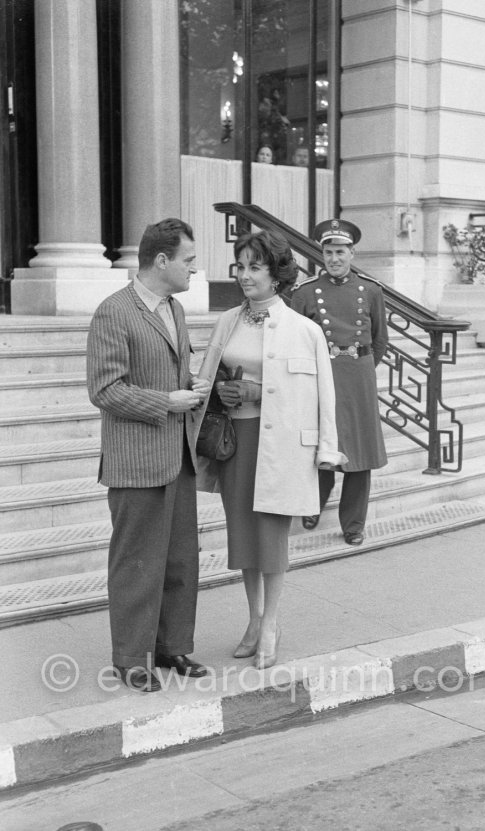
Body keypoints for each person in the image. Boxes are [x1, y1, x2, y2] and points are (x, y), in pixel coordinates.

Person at [197, 229, 345, 670]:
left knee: (271, 536)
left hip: (280, 445)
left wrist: (327, 449)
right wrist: (223, 390)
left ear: (277, 273)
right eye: (240, 266)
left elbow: (324, 397)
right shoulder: (228, 321)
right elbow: (208, 378)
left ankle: (272, 623)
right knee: (243, 535)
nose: (244, 275)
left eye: (254, 267)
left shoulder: (305, 330)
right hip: (235, 444)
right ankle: (254, 618)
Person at [87, 218, 211, 692]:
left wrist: (192, 385)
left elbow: (172, 370)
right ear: (162, 261)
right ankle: (130, 658)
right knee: (137, 562)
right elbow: (105, 389)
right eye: (188, 261)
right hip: (136, 460)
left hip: (176, 454)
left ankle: (171, 645)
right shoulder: (113, 312)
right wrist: (167, 402)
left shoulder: (174, 310)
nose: (194, 269)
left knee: (181, 558)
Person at [291, 218, 388, 546]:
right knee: (321, 445)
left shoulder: (370, 290)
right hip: (322, 376)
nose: (335, 258)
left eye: (341, 252)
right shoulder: (305, 294)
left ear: (352, 253)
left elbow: (380, 341)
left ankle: (353, 525)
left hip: (358, 377)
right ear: (321, 255)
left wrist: (363, 370)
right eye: (329, 252)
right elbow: (297, 343)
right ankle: (312, 505)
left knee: (358, 454)